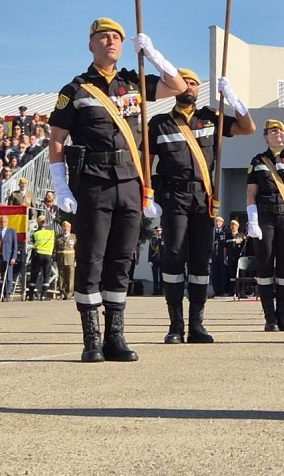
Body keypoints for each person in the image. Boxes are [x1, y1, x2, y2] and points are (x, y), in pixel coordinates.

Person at [47, 18, 185, 362]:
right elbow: (57, 140)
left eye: (116, 38)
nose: (110, 42)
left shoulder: (135, 82)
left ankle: (115, 337)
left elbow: (178, 87)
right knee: (92, 259)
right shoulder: (75, 90)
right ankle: (91, 339)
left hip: (130, 181)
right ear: (90, 45)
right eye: (103, 38)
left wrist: (153, 55)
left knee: (122, 260)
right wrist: (60, 186)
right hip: (93, 182)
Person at [149, 68, 255, 344]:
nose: (190, 87)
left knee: (199, 261)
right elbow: (145, 160)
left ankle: (196, 325)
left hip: (203, 200)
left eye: (194, 83)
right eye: (185, 82)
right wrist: (147, 195)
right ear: (174, 88)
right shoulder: (159, 123)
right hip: (173, 198)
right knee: (173, 258)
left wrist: (232, 98)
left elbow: (248, 127)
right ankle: (175, 326)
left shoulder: (211, 118)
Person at [245, 120, 284, 330]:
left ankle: (283, 315)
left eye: (281, 130)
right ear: (265, 137)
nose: (277, 132)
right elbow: (251, 194)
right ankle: (270, 317)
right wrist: (252, 219)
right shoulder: (258, 160)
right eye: (272, 131)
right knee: (265, 265)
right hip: (266, 218)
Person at [56, 221, 77, 301]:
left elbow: (76, 249)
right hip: (61, 259)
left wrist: (76, 260)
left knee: (70, 277)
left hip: (71, 260)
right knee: (61, 277)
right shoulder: (58, 237)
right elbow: (56, 248)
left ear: (70, 228)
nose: (65, 229)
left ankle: (69, 293)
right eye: (64, 227)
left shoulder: (74, 237)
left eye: (67, 227)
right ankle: (62, 292)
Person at [211, 216, 231, 298]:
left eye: (219, 222)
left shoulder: (225, 232)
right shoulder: (212, 232)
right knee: (215, 274)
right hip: (214, 256)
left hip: (222, 256)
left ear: (222, 223)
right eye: (216, 222)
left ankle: (222, 291)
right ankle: (216, 291)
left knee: (222, 274)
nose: (217, 223)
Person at [147, 226, 165, 296]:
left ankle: (161, 291)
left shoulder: (164, 239)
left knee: (161, 276)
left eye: (159, 230)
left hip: (162, 260)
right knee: (155, 276)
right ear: (155, 231)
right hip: (154, 260)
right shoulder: (152, 240)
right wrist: (149, 260)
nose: (158, 232)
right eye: (157, 231)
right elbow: (150, 250)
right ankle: (155, 291)